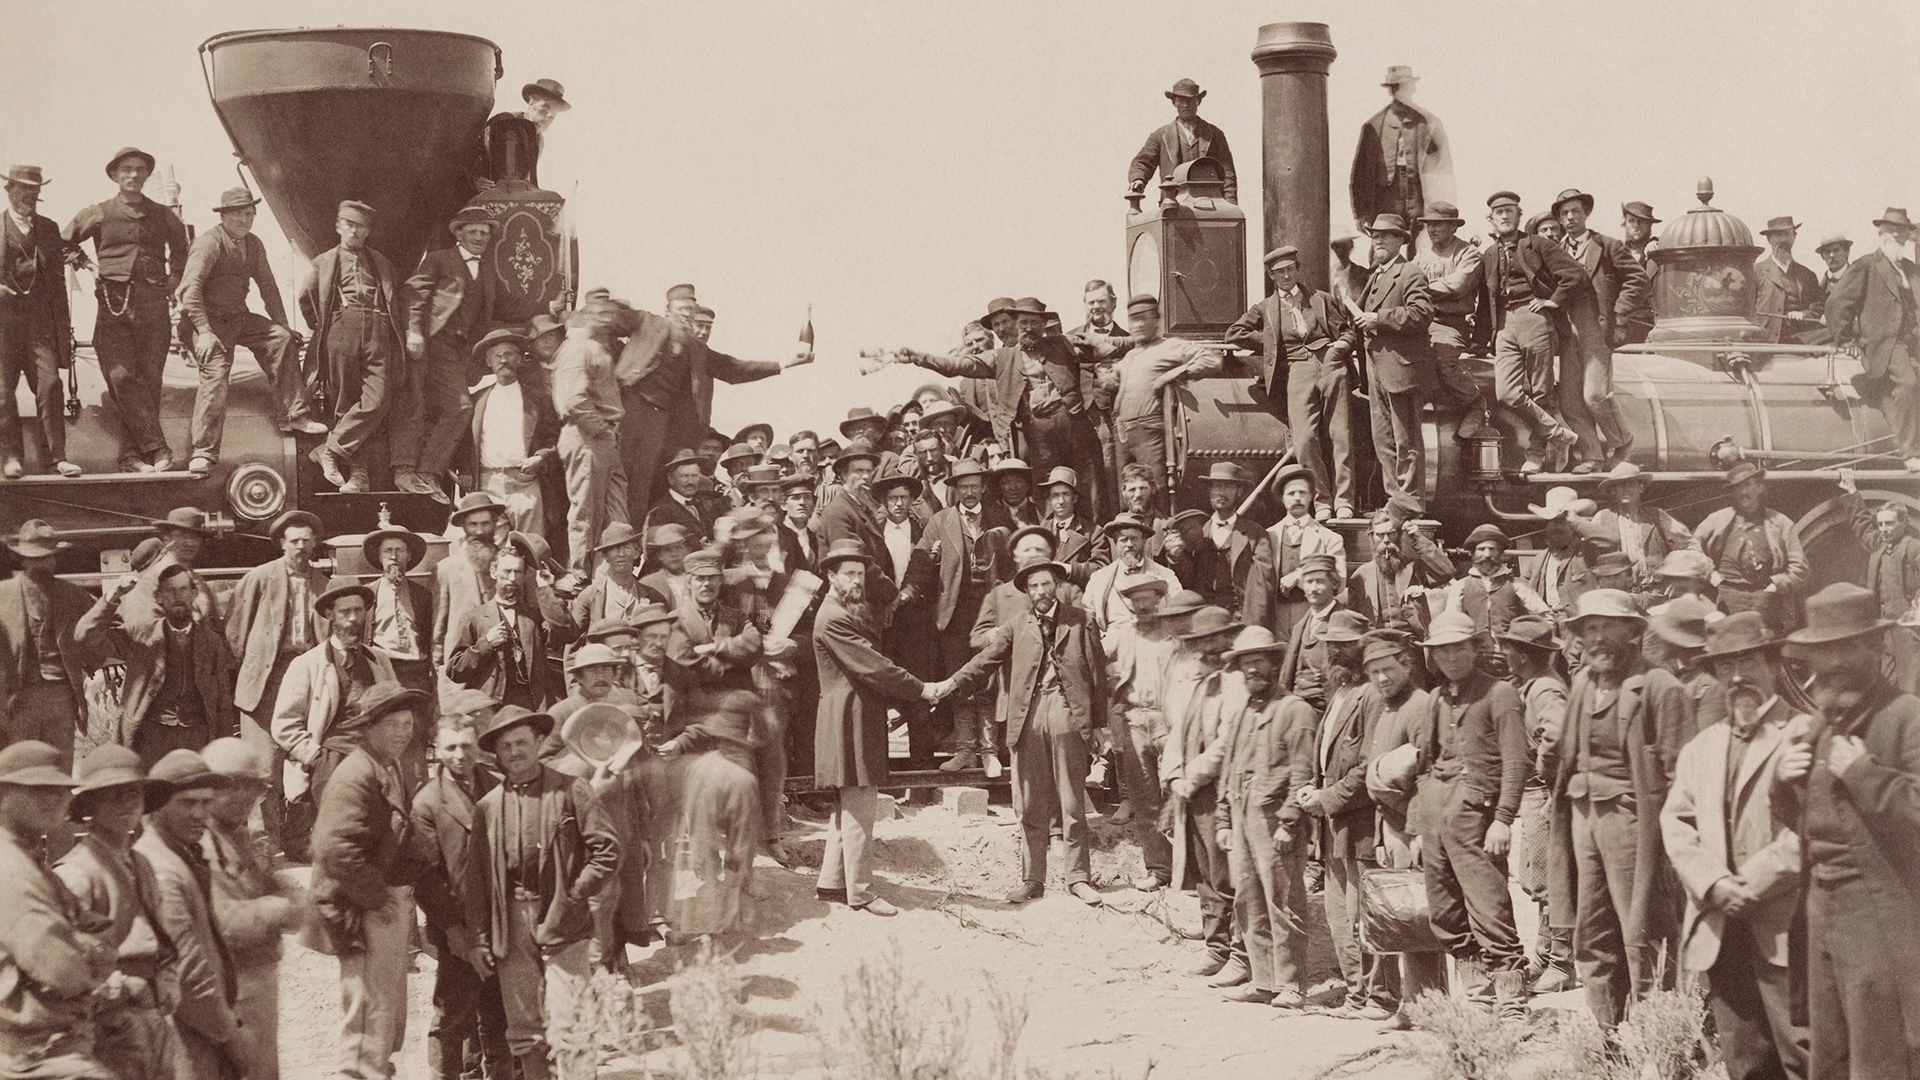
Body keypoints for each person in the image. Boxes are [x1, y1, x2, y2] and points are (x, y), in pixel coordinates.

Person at [1773, 582, 1920, 1079]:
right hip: (1822, 912)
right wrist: (1785, 782)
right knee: (1832, 1053)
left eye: (1843, 648)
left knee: (1883, 1057)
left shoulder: (1907, 717)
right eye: (1821, 652)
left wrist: (1863, 774)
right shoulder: (1819, 723)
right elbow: (1810, 823)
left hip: (1884, 917)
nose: (1830, 663)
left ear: (1873, 647)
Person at [1659, 613, 1810, 1080]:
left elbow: (1817, 827)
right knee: (1744, 1059)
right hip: (1721, 927)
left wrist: (1754, 882)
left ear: (1772, 663)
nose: (1738, 676)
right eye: (1726, 666)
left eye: (1748, 661)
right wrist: (1715, 883)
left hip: (1789, 926)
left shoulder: (1805, 732)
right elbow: (1677, 823)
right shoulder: (1701, 747)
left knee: (1805, 1052)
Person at [1543, 589, 1687, 1029]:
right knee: (1592, 930)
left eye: (1607, 625)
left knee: (1642, 931)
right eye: (1589, 627)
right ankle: (1607, 1033)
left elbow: (1682, 773)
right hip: (1582, 818)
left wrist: (1667, 849)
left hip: (1634, 823)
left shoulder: (1659, 685)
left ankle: (1657, 1037)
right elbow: (1563, 755)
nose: (1597, 637)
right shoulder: (1584, 681)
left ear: (1632, 631)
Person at [948, 560, 1109, 907]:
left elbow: (1097, 674)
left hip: (1068, 714)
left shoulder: (1081, 621)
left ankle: (1078, 877)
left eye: (1045, 585)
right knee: (1029, 802)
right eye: (1033, 587)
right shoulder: (1016, 626)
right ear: (1027, 592)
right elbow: (985, 661)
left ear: (1057, 586)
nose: (1040, 592)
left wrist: (1099, 725)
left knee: (1071, 802)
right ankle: (1032, 879)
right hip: (1026, 717)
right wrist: (950, 683)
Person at [470, 705, 618, 1080]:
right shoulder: (488, 807)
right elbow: (476, 881)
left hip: (563, 916)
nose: (515, 752)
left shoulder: (571, 789)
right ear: (497, 754)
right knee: (524, 1027)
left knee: (571, 1022)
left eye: (522, 743)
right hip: (512, 921)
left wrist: (575, 893)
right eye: (506, 747)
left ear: (538, 742)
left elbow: (607, 849)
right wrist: (479, 938)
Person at [1409, 610, 1529, 1018]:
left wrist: (1503, 818)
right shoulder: (1437, 698)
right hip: (1436, 816)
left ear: (1475, 647)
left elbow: (1516, 761)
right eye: (1443, 650)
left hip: (1478, 818)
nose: (1452, 656)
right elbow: (1425, 763)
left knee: (1489, 906)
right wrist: (1420, 820)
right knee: (1444, 910)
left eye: (1459, 647)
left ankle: (1512, 998)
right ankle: (1477, 995)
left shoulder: (1500, 694)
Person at [812, 541, 939, 916]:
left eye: (860, 573)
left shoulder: (840, 611)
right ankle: (862, 893)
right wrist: (921, 689)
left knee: (848, 805)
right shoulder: (833, 617)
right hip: (847, 718)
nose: (856, 580)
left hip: (853, 715)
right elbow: (874, 667)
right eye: (847, 573)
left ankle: (832, 882)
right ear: (830, 576)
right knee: (861, 806)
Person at [308, 683, 428, 1080]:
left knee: (384, 1011)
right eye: (392, 724)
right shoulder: (356, 773)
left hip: (378, 901)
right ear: (369, 727)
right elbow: (333, 849)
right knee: (366, 1016)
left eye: (407, 723)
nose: (402, 732)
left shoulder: (386, 764)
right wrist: (378, 898)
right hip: (360, 907)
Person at [1204, 626, 1315, 1007]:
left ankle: (1291, 984)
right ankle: (1263, 980)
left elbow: (1303, 774)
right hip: (1241, 816)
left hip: (1274, 822)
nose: (1252, 670)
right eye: (1245, 664)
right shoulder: (1241, 715)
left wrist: (1289, 821)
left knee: (1283, 900)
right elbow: (1228, 769)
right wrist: (1222, 820)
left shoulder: (1295, 710)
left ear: (1274, 663)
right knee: (1247, 900)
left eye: (1258, 662)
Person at [53, 745, 177, 1080]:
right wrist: (121, 988)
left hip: (153, 1017)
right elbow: (67, 969)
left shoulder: (142, 863)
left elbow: (163, 936)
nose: (127, 802)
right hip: (109, 1028)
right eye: (113, 794)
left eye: (134, 792)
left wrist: (166, 980)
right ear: (89, 806)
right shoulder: (77, 875)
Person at [64, 148, 189, 474]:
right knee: (120, 377)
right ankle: (158, 448)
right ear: (115, 175)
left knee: (148, 384)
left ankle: (131, 457)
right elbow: (61, 242)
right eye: (126, 170)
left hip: (154, 308)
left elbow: (181, 250)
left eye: (139, 170)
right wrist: (87, 265)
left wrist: (173, 280)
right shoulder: (99, 213)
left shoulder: (163, 215)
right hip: (112, 306)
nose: (133, 175)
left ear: (146, 175)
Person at [1300, 610, 1399, 1017]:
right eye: (1331, 645)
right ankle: (1358, 994)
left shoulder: (1373, 696)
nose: (1336, 652)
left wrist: (1327, 797)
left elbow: (1369, 766)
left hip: (1362, 824)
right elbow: (1329, 756)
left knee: (1366, 913)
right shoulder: (1338, 691)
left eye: (1346, 645)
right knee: (1339, 914)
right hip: (1333, 826)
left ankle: (1382, 995)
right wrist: (1314, 787)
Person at [178, 187, 314, 479]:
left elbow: (268, 287)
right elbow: (189, 291)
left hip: (237, 318)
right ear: (224, 215)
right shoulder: (209, 244)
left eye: (249, 213)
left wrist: (283, 324)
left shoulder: (253, 244)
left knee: (281, 338)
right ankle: (203, 452)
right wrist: (203, 332)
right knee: (216, 374)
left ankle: (293, 416)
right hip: (205, 322)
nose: (245, 219)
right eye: (238, 213)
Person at [0, 741, 118, 1078]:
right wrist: (91, 950)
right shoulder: (10, 868)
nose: (53, 798)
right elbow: (63, 970)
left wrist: (87, 944)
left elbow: (99, 928)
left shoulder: (28, 858)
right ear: (3, 795)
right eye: (37, 788)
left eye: (60, 789)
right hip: (29, 1052)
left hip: (50, 1039)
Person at [888, 298, 1088, 480]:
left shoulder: (1059, 345)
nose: (1026, 329)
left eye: (1033, 323)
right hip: (1032, 435)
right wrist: (919, 358)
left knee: (1084, 477)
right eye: (1022, 324)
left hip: (1070, 427)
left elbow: (1099, 351)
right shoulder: (1000, 358)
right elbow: (957, 365)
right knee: (1040, 482)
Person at [1224, 248, 1357, 518]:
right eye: (1279, 272)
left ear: (1297, 269)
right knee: (1305, 438)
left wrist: (1340, 346)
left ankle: (1344, 501)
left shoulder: (1321, 299)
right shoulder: (1265, 308)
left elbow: (1347, 331)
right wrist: (1269, 340)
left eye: (1290, 269)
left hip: (1331, 364)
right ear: (1271, 276)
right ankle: (1322, 500)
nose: (1286, 275)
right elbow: (1235, 333)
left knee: (1340, 434)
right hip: (1297, 369)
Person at [137, 749, 245, 1080]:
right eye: (187, 803)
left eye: (206, 803)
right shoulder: (161, 869)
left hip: (197, 1033)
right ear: (156, 806)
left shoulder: (180, 856)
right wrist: (231, 1036)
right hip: (184, 1039)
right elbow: (189, 973)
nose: (200, 813)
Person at [199, 738, 302, 1080]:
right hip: (229, 988)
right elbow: (226, 922)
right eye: (235, 786)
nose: (246, 797)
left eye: (254, 788)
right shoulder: (201, 844)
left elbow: (282, 895)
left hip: (256, 980)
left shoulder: (237, 835)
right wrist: (278, 908)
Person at [272, 576, 396, 861]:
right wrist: (315, 757)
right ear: (330, 615)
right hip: (327, 759)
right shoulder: (307, 664)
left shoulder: (380, 661)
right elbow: (283, 724)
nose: (354, 619)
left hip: (373, 754)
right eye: (345, 612)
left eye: (359, 611)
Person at [223, 509, 327, 848]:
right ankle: (263, 844)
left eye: (306, 541)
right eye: (294, 540)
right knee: (263, 768)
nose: (300, 547)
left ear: (315, 544)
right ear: (282, 544)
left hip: (307, 678)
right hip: (266, 680)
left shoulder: (323, 584)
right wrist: (246, 676)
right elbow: (235, 633)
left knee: (304, 761)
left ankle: (297, 839)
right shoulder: (259, 578)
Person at [1159, 605, 1248, 985]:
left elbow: (1228, 742)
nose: (1210, 648)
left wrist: (1193, 776)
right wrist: (1174, 774)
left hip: (1224, 792)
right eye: (1202, 642)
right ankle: (1216, 947)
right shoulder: (1201, 682)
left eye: (1216, 639)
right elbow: (1178, 734)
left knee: (1230, 872)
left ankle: (1241, 956)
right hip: (1193, 793)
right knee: (1204, 871)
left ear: (1229, 638)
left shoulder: (1238, 682)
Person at [80, 565, 236, 766]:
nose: (177, 596)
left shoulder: (212, 642)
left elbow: (223, 702)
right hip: (151, 737)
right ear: (158, 597)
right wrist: (113, 595)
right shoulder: (141, 634)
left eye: (183, 589)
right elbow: (85, 635)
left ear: (194, 594)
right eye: (170, 591)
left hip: (197, 737)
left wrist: (223, 750)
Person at [303, 200, 407, 494]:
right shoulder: (323, 262)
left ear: (367, 231)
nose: (353, 230)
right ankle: (359, 476)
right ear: (338, 226)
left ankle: (330, 450)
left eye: (360, 226)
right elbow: (307, 298)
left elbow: (393, 297)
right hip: (342, 328)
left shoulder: (381, 263)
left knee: (377, 400)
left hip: (378, 328)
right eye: (348, 224)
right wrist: (330, 325)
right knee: (345, 404)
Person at [396, 206, 498, 502]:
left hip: (459, 351)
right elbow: (413, 294)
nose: (479, 237)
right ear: (459, 233)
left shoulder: (487, 270)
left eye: (484, 233)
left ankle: (427, 473)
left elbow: (505, 305)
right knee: (452, 406)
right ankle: (421, 473)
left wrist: (552, 308)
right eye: (473, 231)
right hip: (432, 342)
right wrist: (414, 331)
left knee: (454, 408)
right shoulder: (440, 259)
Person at [1497, 616, 1575, 994]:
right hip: (1538, 792)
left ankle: (1562, 962)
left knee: (1552, 880)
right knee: (1539, 877)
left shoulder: (1544, 689)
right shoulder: (1534, 684)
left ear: (1524, 655)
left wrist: (1546, 774)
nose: (1503, 654)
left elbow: (1557, 734)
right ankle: (1545, 955)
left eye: (1509, 648)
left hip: (1544, 793)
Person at [1479, 191, 1583, 474]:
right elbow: (1485, 299)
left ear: (1518, 215)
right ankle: (1559, 435)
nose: (1504, 215)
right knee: (1507, 393)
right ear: (1490, 219)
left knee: (1541, 393)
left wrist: (1553, 300)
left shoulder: (1537, 244)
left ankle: (1536, 455)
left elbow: (1575, 274)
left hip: (1534, 317)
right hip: (1504, 323)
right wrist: (1480, 339)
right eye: (1498, 212)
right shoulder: (1489, 254)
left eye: (1509, 211)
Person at [918, 459, 1011, 773]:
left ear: (983, 488)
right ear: (954, 490)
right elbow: (922, 565)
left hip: (990, 614)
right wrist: (932, 560)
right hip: (955, 616)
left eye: (975, 486)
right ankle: (965, 751)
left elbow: (1012, 565)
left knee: (987, 681)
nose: (969, 492)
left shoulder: (1000, 519)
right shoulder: (940, 521)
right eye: (963, 487)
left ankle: (989, 751)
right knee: (960, 682)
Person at [666, 690, 764, 953]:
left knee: (701, 856)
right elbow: (741, 843)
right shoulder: (744, 778)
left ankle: (688, 925)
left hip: (705, 774)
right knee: (738, 854)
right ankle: (721, 923)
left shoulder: (698, 767)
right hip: (736, 777)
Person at [1825, 207, 1920, 472]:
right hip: (1885, 344)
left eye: (1902, 234)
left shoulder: (1912, 270)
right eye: (1893, 233)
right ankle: (1911, 452)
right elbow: (1836, 304)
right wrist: (1846, 340)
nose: (1898, 238)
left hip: (1913, 342)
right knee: (1908, 384)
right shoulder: (1867, 265)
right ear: (1882, 235)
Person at [1356, 213, 1436, 515]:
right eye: (1375, 235)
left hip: (1402, 368)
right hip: (1376, 367)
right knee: (1384, 439)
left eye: (1385, 235)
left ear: (1401, 241)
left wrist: (1379, 318)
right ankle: (1395, 501)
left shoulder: (1410, 272)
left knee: (1407, 441)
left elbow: (1421, 313)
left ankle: (1412, 503)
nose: (1378, 240)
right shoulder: (1376, 275)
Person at [1094, 294, 1223, 481]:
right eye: (1133, 320)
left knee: (1156, 490)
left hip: (1150, 432)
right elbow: (1111, 383)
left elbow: (1213, 360)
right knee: (1126, 498)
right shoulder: (1130, 356)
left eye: (1142, 319)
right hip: (1122, 435)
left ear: (1156, 320)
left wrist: (1174, 374)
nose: (1137, 325)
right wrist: (1102, 364)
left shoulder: (1171, 346)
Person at [0, 164, 75, 478]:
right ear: (9, 191)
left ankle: (57, 459)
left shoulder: (49, 228)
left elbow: (59, 278)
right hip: (2, 328)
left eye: (34, 190)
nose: (28, 196)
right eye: (22, 190)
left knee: (51, 385)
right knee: (2, 393)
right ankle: (11, 458)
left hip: (39, 328)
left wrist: (64, 333)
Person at [1104, 577, 1179, 887]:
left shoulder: (1174, 634)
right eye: (1136, 602)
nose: (1142, 607)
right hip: (1135, 719)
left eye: (1147, 600)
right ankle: (1159, 869)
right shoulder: (1123, 634)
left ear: (1159, 599)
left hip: (1169, 721)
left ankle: (1189, 872)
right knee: (1144, 800)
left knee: (1176, 796)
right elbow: (1095, 657)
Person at [0, 521, 93, 765]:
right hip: (17, 697)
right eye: (34, 558)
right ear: (20, 559)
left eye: (47, 557)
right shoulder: (2, 596)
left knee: (58, 767)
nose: (41, 563)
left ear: (54, 559)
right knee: (17, 770)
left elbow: (104, 627)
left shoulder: (73, 595)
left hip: (60, 697)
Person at [554, 299, 630, 580]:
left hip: (604, 436)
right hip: (587, 435)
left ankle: (608, 577)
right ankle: (580, 578)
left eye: (611, 315)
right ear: (586, 318)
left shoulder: (598, 348)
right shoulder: (578, 347)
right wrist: (600, 429)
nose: (609, 320)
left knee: (616, 515)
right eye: (601, 315)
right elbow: (574, 398)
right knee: (586, 514)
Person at [447, 540, 573, 710]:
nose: (512, 578)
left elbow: (567, 633)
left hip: (532, 704)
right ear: (493, 572)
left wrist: (546, 589)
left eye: (518, 572)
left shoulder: (535, 617)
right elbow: (455, 671)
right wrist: (485, 644)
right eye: (507, 571)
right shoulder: (474, 618)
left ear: (524, 575)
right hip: (491, 704)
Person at [1694, 461, 1809, 635]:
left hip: (1766, 601)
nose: (1743, 492)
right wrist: (1709, 574)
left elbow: (1800, 567)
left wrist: (1775, 586)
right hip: (1727, 600)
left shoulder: (1780, 522)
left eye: (1748, 485)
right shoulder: (1717, 520)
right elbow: (1690, 549)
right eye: (1737, 488)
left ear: (1760, 487)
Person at [1241, 466, 1344, 643]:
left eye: (1302, 493)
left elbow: (1339, 582)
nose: (1297, 498)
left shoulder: (1330, 538)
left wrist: (1299, 576)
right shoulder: (1268, 535)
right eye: (1291, 493)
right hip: (1276, 614)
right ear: (1282, 498)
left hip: (1311, 612)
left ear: (1311, 497)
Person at [469, 329, 556, 537]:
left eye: (509, 354)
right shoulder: (477, 400)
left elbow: (555, 436)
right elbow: (465, 444)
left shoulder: (538, 399)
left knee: (530, 545)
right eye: (497, 356)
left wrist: (541, 457)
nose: (503, 360)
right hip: (487, 482)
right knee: (490, 545)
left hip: (525, 481)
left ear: (518, 359)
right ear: (489, 362)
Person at [1839, 468, 1920, 692]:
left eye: (1889, 524)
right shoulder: (1880, 546)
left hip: (1909, 632)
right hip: (1885, 631)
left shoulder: (1913, 547)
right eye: (1881, 524)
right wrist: (1851, 491)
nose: (1883, 529)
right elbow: (1863, 525)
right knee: (1887, 686)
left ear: (1903, 524)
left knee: (1911, 687)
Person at [1414, 202, 1491, 435]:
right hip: (1420, 321)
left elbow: (1458, 285)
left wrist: (1419, 289)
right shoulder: (1421, 256)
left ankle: (1475, 404)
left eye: (1439, 224)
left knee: (1442, 359)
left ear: (1453, 227)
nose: (1432, 229)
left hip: (1450, 323)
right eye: (1429, 224)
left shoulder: (1468, 254)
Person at [1349, 67, 1453, 240]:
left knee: (1421, 242)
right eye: (1397, 87)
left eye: (1407, 86)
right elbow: (1360, 174)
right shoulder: (1374, 126)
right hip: (1386, 197)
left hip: (1419, 194)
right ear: (1391, 90)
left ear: (1413, 88)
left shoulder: (1428, 122)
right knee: (1384, 242)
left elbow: (1443, 169)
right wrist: (1360, 213)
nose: (1403, 92)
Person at [360, 522, 436, 746]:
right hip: (383, 672)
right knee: (385, 736)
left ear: (408, 555)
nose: (394, 557)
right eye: (388, 551)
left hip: (416, 675)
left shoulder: (422, 595)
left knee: (415, 738)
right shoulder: (368, 593)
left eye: (399, 551)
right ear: (380, 556)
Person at [1442, 523, 1547, 679]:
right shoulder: (1461, 586)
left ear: (1501, 554)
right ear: (1472, 554)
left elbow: (1545, 618)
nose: (1487, 554)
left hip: (1512, 667)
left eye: (1492, 549)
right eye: (1481, 549)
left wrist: (1530, 648)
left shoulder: (1516, 584)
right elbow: (1451, 625)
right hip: (1474, 667)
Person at [1583, 462, 1697, 588]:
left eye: (1631, 484)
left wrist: (1679, 580)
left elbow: (1690, 545)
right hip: (1620, 592)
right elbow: (1585, 554)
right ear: (1613, 491)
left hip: (1654, 593)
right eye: (1621, 485)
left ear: (1640, 488)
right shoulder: (1602, 517)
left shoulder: (1657, 516)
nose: (1626, 489)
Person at [1128, 78, 1237, 204]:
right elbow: (1142, 162)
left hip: (1210, 206)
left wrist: (1230, 203)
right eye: (1181, 100)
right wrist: (1138, 179)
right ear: (1174, 102)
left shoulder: (1215, 134)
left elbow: (1228, 173)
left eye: (1190, 100)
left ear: (1198, 101)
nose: (1186, 105)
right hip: (1174, 206)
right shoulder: (1159, 136)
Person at [1347, 511, 1451, 639]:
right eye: (1380, 535)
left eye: (1391, 534)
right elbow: (1352, 621)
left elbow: (1446, 572)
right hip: (1375, 642)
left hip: (1410, 641)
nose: (1386, 540)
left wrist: (1417, 537)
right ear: (1371, 537)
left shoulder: (1413, 568)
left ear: (1399, 535)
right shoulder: (1360, 576)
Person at [1083, 512, 1181, 636]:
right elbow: (1088, 618)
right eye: (1124, 540)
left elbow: (1178, 612)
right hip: (1113, 647)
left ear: (1144, 542)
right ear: (1116, 543)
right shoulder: (1099, 579)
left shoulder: (1165, 576)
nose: (1129, 545)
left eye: (1134, 539)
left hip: (1155, 644)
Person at [436, 494, 503, 675]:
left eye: (485, 523)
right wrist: (439, 670)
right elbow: (438, 627)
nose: (479, 531)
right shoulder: (447, 568)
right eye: (473, 524)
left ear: (495, 523)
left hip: (502, 666)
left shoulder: (510, 565)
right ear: (464, 527)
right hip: (462, 666)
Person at [1195, 462, 1270, 614]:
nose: (1221, 493)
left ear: (1239, 491)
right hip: (1206, 618)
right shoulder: (1198, 533)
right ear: (1210, 491)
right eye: (1216, 486)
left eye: (1228, 487)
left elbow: (1262, 585)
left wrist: (1251, 625)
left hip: (1240, 617)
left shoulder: (1256, 534)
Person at [480, 78, 569, 189]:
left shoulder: (539, 140)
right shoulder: (505, 120)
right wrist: (476, 179)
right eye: (545, 108)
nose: (549, 115)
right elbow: (475, 149)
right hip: (488, 192)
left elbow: (527, 177)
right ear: (532, 103)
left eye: (554, 111)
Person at [1752, 215, 1826, 345]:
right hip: (1765, 342)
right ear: (1769, 239)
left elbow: (1819, 308)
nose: (1783, 240)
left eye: (1787, 234)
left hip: (1800, 342)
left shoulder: (1807, 275)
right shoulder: (1756, 272)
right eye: (1778, 235)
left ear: (1794, 237)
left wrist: (1804, 314)